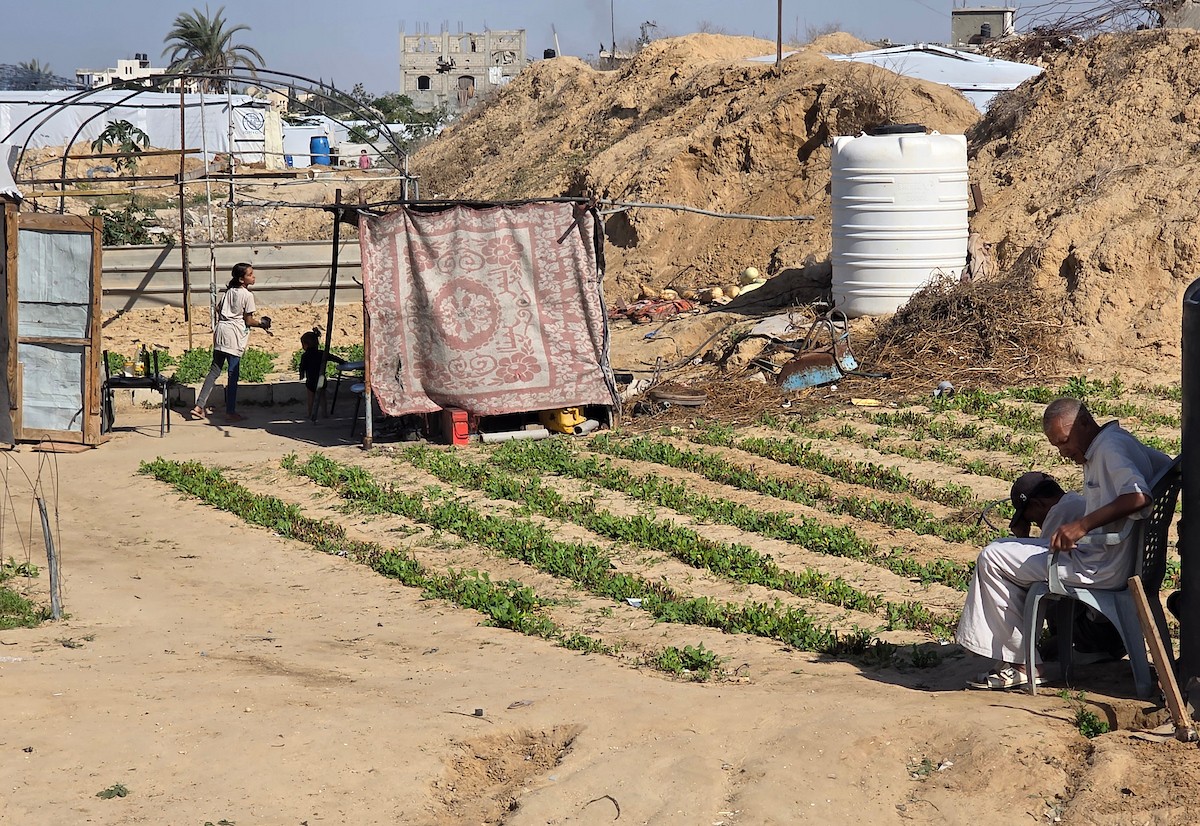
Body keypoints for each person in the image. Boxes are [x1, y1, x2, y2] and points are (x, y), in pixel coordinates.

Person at [956, 397, 1171, 690]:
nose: (1064, 452)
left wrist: (1083, 525)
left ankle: (1021, 663)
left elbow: (1139, 497)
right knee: (1004, 546)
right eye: (1058, 446)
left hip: (1101, 565)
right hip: (1115, 557)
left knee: (992, 556)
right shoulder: (1119, 441)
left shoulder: (1109, 449)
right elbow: (1168, 469)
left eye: (1065, 441)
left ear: (1084, 422)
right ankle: (1020, 654)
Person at [190, 263, 271, 422]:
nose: (253, 277)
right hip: (233, 335)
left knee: (214, 371)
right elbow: (248, 320)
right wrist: (263, 324)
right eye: (250, 274)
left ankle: (199, 406)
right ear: (242, 279)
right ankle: (230, 411)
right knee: (233, 374)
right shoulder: (247, 296)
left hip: (220, 331)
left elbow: (219, 309)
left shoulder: (228, 292)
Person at [298, 328, 344, 420]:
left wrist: (301, 375)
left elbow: (302, 367)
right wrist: (342, 361)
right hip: (321, 379)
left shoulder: (305, 356)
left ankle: (310, 413)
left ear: (306, 345)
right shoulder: (321, 353)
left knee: (310, 398)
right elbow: (333, 357)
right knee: (322, 397)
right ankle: (324, 413)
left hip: (311, 380)